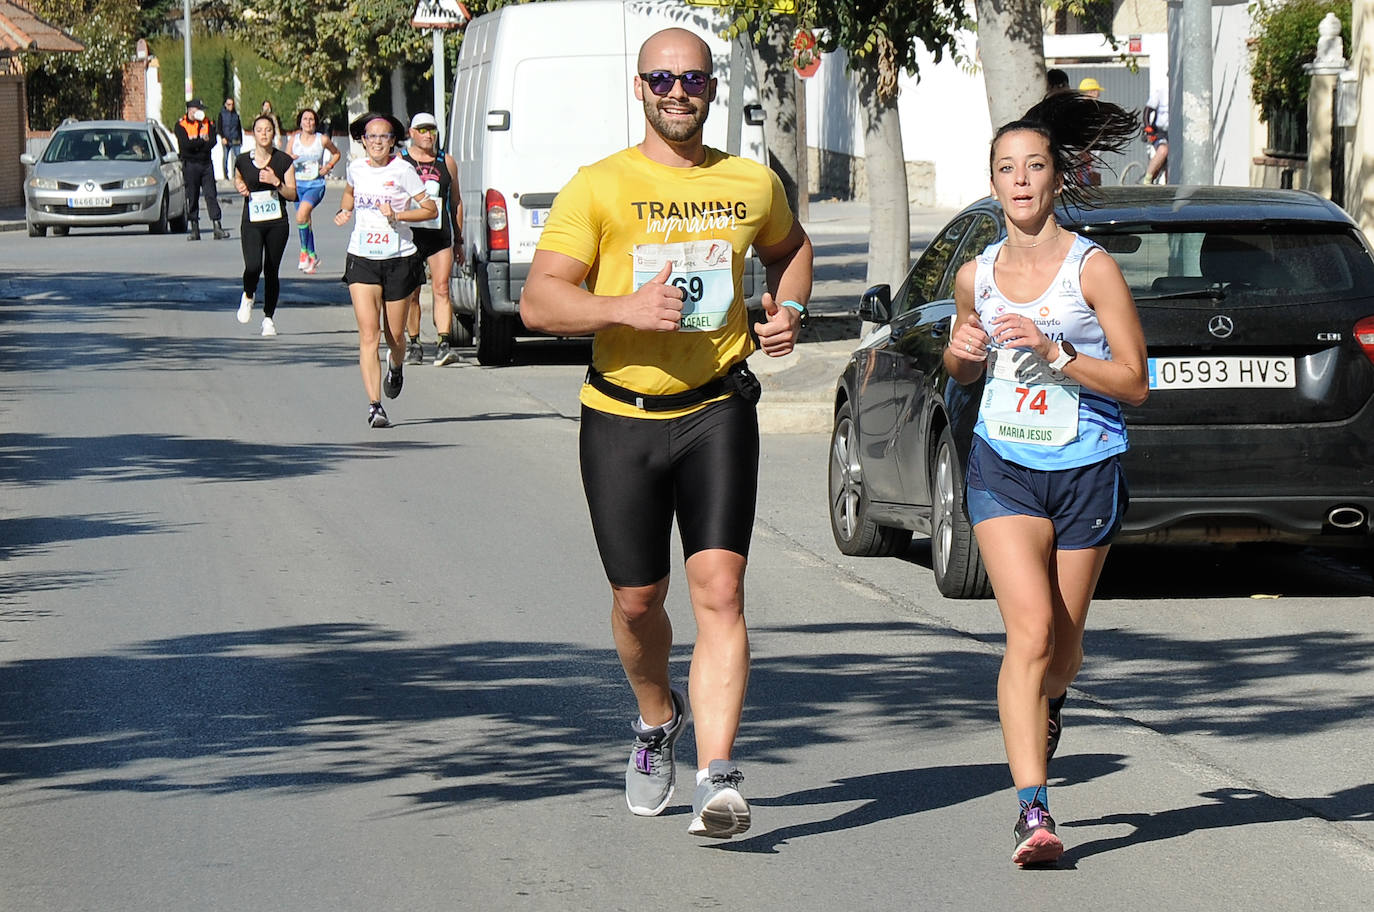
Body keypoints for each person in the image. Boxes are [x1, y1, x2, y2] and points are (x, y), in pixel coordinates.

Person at [520, 27, 813, 840]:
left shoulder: (750, 183)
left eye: (692, 79)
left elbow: (791, 250)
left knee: (720, 591)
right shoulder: (600, 187)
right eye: (662, 79)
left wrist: (788, 311)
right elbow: (541, 302)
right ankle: (657, 719)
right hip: (621, 417)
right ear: (640, 87)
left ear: (712, 88)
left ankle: (718, 776)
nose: (677, 92)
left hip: (716, 407)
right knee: (636, 599)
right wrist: (622, 307)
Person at [943, 92, 1147, 867]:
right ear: (992, 186)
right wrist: (962, 350)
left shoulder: (1091, 268)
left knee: (1061, 648)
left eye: (1034, 167)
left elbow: (1134, 383)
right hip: (1005, 467)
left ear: (1058, 179)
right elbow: (961, 366)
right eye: (1006, 169)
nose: (1021, 181)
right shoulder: (977, 275)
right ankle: (1033, 811)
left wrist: (1059, 354)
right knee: (1026, 633)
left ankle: (1052, 699)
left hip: (1086, 466)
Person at [333, 113, 438, 429]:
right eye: (371, 136)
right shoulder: (356, 168)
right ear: (363, 140)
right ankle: (375, 406)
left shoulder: (404, 171)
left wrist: (399, 215)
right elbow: (350, 193)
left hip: (398, 258)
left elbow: (430, 209)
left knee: (395, 337)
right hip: (362, 257)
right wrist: (345, 210)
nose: (377, 142)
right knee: (369, 334)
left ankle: (396, 365)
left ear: (393, 140)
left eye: (384, 136)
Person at [399, 112, 465, 366]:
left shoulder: (446, 161)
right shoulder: (401, 162)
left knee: (441, 287)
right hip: (411, 235)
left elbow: (456, 201)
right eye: (422, 130)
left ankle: (443, 343)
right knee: (412, 292)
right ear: (412, 133)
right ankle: (414, 343)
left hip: (439, 234)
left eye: (432, 130)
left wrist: (458, 239)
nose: (428, 135)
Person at [233, 113, 298, 336]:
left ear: (273, 133)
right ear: (254, 133)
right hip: (251, 221)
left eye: (268, 130)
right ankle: (248, 294)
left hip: (276, 222)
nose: (264, 134)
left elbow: (292, 194)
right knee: (253, 266)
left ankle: (268, 318)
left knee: (271, 269)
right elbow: (239, 177)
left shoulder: (283, 161)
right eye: (259, 130)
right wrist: (240, 186)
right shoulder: (242, 160)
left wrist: (276, 182)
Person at [287, 108, 342, 274]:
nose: (308, 122)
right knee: (304, 220)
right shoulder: (293, 139)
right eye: (305, 119)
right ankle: (312, 255)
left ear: (315, 122)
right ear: (300, 122)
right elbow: (285, 157)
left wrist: (328, 166)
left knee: (301, 214)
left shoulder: (322, 139)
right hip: (298, 185)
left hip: (315, 185)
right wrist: (291, 158)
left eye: (311, 119)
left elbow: (336, 154)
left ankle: (304, 253)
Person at [175, 98, 226, 241]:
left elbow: (212, 142)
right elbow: (185, 145)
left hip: (206, 164)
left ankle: (217, 227)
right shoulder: (181, 125)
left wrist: (198, 144)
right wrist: (201, 142)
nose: (201, 112)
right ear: (191, 110)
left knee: (211, 195)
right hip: (190, 165)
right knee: (192, 196)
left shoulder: (207, 123)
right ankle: (194, 229)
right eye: (199, 109)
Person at [1143, 84, 1169, 184]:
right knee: (1163, 150)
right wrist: (1148, 127)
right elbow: (1147, 110)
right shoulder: (1161, 91)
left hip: (1173, 133)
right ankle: (1147, 179)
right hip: (1159, 131)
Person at [218, 98, 242, 182]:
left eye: (232, 104)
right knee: (225, 158)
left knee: (238, 158)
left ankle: (237, 175)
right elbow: (219, 128)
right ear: (225, 105)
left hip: (236, 139)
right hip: (226, 139)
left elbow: (239, 128)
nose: (230, 106)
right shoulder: (221, 114)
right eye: (229, 104)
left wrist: (241, 139)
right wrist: (222, 137)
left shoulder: (236, 115)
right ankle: (226, 175)